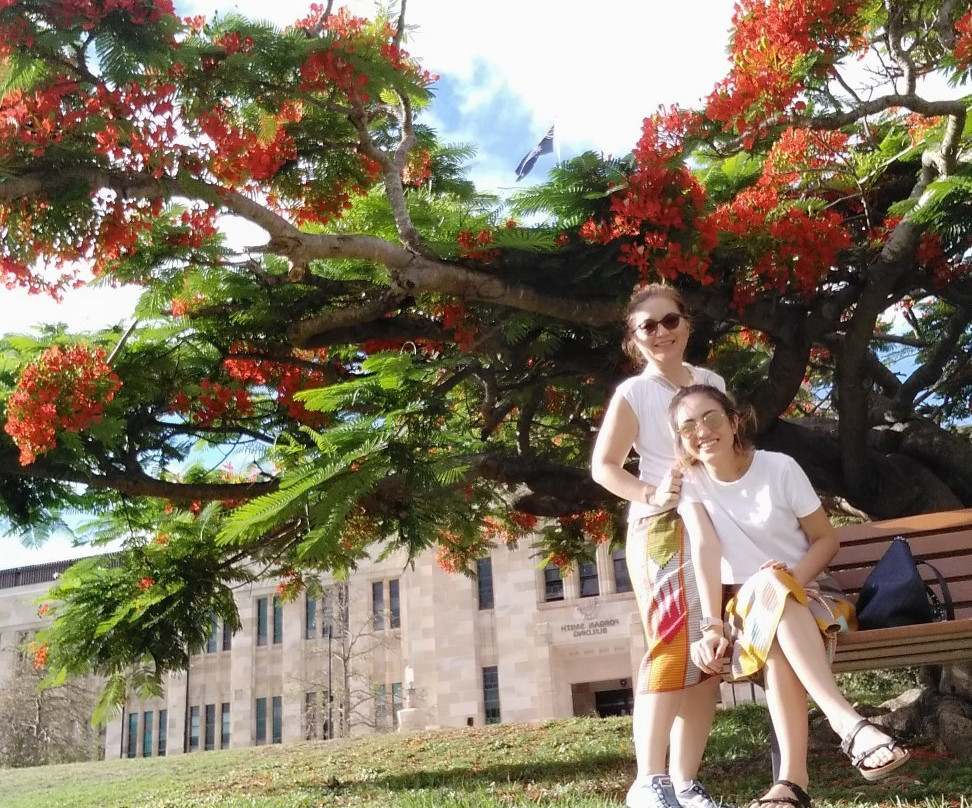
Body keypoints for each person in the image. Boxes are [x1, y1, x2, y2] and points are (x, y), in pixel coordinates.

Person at [669, 384, 911, 808]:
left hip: (814, 594)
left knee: (775, 601)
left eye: (710, 417)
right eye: (687, 425)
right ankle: (849, 725)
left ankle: (793, 783)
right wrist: (710, 625)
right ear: (680, 438)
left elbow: (825, 540)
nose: (701, 430)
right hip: (744, 608)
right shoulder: (693, 484)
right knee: (769, 596)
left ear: (732, 419)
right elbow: (705, 552)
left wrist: (790, 580)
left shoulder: (778, 468)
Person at [591, 285, 728, 808]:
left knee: (708, 655)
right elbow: (604, 466)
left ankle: (686, 782)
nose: (661, 331)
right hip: (662, 529)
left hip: (718, 523)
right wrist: (650, 492)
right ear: (634, 337)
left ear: (687, 324)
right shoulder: (634, 393)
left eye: (670, 320)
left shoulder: (711, 383)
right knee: (671, 643)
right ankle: (648, 781)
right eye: (647, 325)